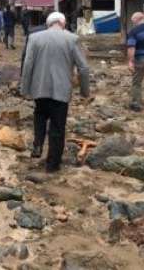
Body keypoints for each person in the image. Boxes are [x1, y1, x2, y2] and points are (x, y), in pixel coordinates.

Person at [21, 12, 90, 172]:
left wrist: (25, 88)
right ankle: (52, 165)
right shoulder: (72, 39)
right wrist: (84, 91)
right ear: (62, 23)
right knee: (58, 127)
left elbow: (28, 64)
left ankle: (38, 143)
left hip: (39, 88)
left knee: (40, 115)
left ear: (48, 23)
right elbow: (84, 68)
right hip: (61, 90)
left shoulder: (35, 38)